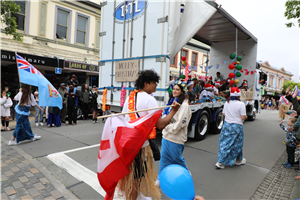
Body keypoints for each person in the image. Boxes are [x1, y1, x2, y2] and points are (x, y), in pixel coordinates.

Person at [119, 69, 180, 200]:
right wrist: (173, 111)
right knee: (135, 179)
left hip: (127, 145)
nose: (156, 86)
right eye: (154, 83)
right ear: (146, 83)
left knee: (134, 176)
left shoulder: (131, 97)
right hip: (140, 147)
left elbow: (124, 120)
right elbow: (160, 124)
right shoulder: (149, 100)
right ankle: (133, 197)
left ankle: (138, 196)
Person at [159, 81, 192, 174]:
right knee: (164, 159)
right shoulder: (171, 102)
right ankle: (161, 178)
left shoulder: (184, 105)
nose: (174, 91)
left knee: (177, 159)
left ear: (182, 91)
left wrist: (166, 126)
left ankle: (186, 174)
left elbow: (180, 125)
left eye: (177, 89)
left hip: (176, 138)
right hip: (166, 136)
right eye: (173, 89)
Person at [215, 87, 247, 169]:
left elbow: (223, 114)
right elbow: (243, 117)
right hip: (237, 126)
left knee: (225, 143)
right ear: (239, 95)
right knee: (237, 143)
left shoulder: (227, 103)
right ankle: (221, 162)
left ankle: (238, 159)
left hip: (226, 125)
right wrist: (245, 116)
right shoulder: (241, 104)